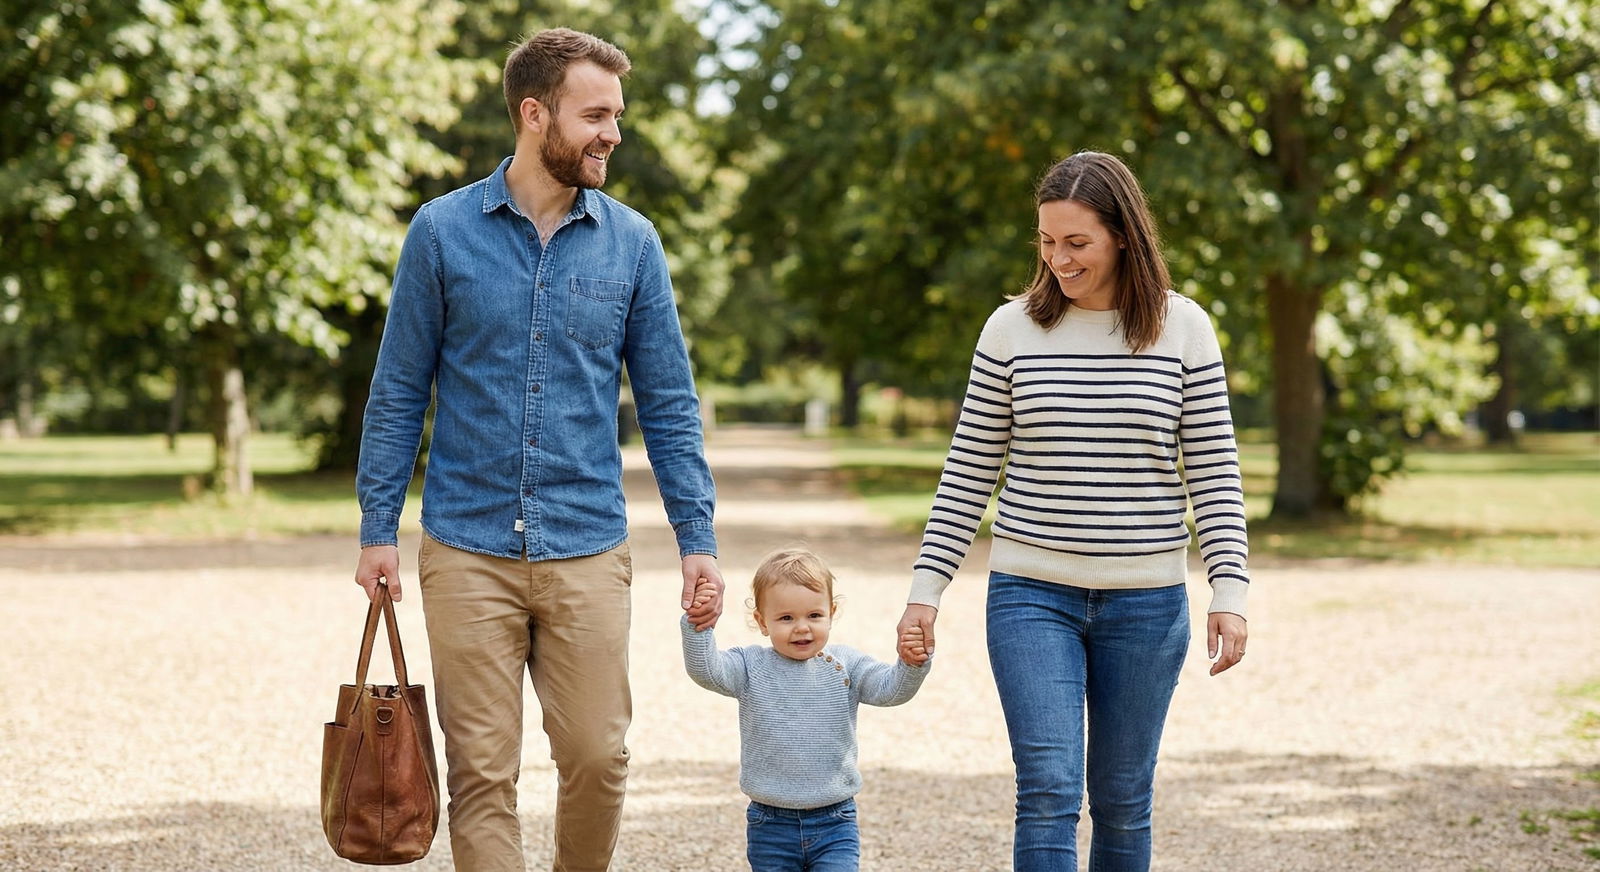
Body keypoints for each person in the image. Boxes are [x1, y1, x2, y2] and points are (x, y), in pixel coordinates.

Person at [353, 28, 724, 872]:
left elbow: (669, 404)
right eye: (595, 115)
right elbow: (399, 390)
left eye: (617, 116)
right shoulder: (441, 231)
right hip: (467, 546)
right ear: (534, 114)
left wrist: (696, 538)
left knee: (599, 757)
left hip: (587, 543)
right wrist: (378, 529)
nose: (613, 134)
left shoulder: (634, 242)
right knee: (481, 775)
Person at [894, 150, 1251, 872]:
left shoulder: (1184, 329)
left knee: (1123, 798)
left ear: (1122, 235)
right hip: (1031, 596)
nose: (1059, 259)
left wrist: (1230, 590)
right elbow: (969, 471)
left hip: (1147, 602)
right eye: (1047, 241)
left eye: (1077, 242)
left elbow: (1215, 473)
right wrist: (926, 591)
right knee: (1048, 790)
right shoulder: (1011, 330)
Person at [681, 548, 930, 871]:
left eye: (814, 616)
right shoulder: (749, 666)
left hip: (835, 820)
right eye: (786, 618)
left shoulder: (846, 665)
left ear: (831, 612)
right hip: (770, 823)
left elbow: (890, 691)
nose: (802, 627)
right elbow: (706, 670)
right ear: (762, 621)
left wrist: (911, 664)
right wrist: (698, 624)